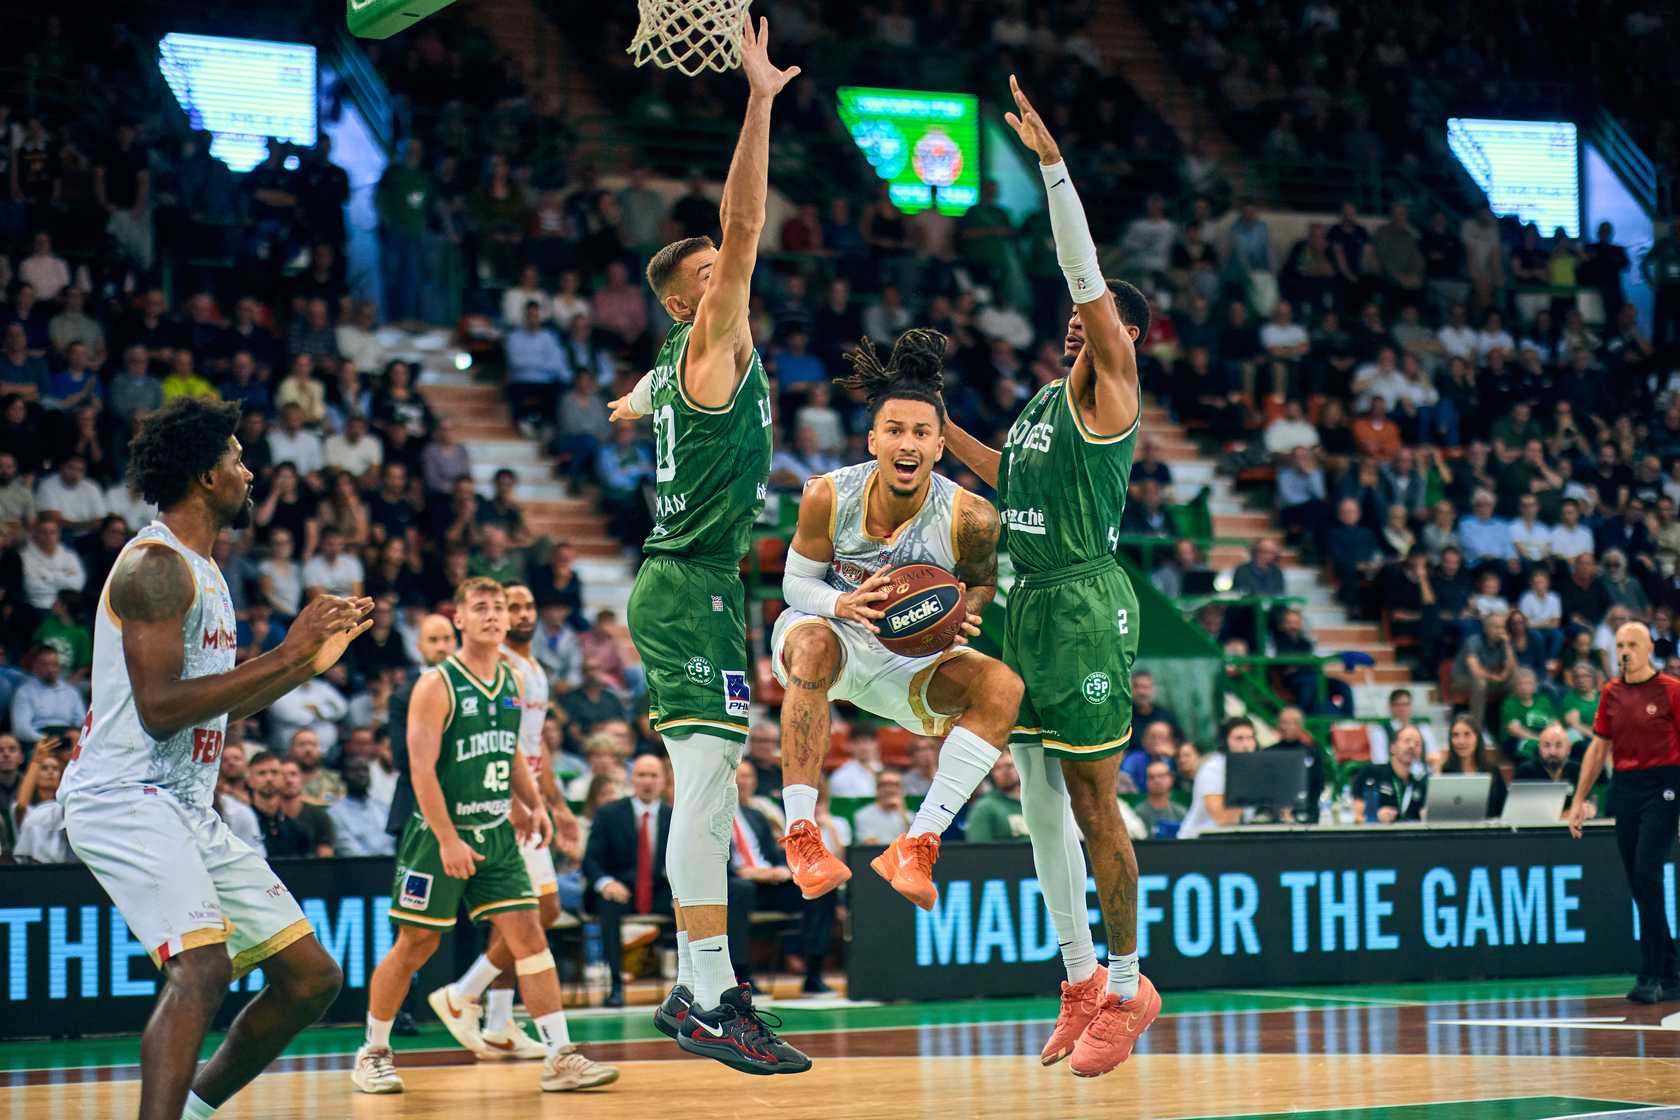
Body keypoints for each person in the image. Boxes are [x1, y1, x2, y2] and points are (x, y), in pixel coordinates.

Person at [56, 397, 372, 1120]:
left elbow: (215, 711)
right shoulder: (155, 567)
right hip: (121, 795)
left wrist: (304, 667)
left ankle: (193, 1110)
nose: (248, 471)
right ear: (205, 475)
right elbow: (161, 707)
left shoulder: (203, 571)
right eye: (236, 458)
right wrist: (287, 651)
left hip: (183, 804)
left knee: (309, 979)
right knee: (201, 967)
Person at [937, 77, 1159, 1077]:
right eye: (1074, 320)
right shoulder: (1039, 404)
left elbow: (1083, 275)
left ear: (1122, 335)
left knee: (1091, 800)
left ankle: (1129, 979)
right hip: (1023, 597)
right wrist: (937, 433)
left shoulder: (1112, 385)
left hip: (1081, 603)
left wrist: (1054, 169)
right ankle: (1077, 976)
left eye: (1096, 317)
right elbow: (1007, 478)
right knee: (1031, 792)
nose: (1076, 324)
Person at [600, 19, 808, 1078]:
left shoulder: (686, 358)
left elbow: (641, 390)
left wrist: (630, 402)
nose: (736, 267)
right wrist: (759, 100)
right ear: (693, 300)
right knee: (706, 781)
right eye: (715, 270)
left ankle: (716, 985)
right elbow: (741, 214)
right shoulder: (713, 334)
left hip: (702, 586)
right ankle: (701, 986)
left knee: (714, 780)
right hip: (684, 586)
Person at [768, 329, 1021, 910]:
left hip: (908, 657)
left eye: (922, 433)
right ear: (873, 439)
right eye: (895, 430)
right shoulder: (828, 495)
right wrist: (843, 605)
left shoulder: (972, 517)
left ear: (938, 447)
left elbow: (981, 583)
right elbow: (794, 584)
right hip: (831, 631)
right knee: (812, 647)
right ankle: (803, 836)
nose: (907, 443)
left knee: (1003, 686)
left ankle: (919, 841)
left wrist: (965, 614)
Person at [358, 579, 617, 1094]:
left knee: (529, 933)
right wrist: (449, 839)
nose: (494, 616)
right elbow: (420, 770)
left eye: (499, 608)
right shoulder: (437, 684)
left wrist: (533, 805)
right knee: (416, 943)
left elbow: (513, 752)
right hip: (438, 834)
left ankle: (559, 1054)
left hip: (496, 829)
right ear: (459, 618)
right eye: (481, 608)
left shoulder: (512, 680)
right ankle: (374, 1051)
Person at [433, 581, 583, 1048]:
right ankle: (463, 993)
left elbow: (534, 748)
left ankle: (498, 1022)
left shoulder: (534, 667)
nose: (521, 613)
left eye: (527, 605)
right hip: (502, 802)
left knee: (521, 917)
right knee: (539, 911)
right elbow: (505, 746)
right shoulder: (498, 666)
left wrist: (556, 805)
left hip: (528, 796)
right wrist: (521, 804)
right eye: (510, 606)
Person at [1566, 622, 1680, 1003]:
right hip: (1626, 786)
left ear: (1648, 648)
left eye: (1632, 644)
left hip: (1665, 784)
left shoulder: (1671, 690)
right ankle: (1670, 969)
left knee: (1648, 873)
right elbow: (1598, 749)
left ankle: (1650, 975)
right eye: (1619, 645)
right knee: (1638, 882)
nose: (1625, 651)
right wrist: (1579, 800)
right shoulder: (1610, 693)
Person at [582, 754, 674, 1008]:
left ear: (664, 781)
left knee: (689, 903)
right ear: (632, 779)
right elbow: (590, 860)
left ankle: (691, 985)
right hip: (620, 890)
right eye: (642, 775)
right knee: (607, 902)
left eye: (653, 775)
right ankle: (615, 984)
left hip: (657, 891)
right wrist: (605, 882)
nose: (647, 781)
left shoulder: (675, 815)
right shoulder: (609, 813)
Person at [1178, 718, 1257, 839]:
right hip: (1196, 842)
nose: (1246, 745)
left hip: (1232, 841)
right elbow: (1223, 819)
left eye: (1250, 738)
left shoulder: (1253, 768)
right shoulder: (1212, 768)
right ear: (1225, 742)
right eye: (1239, 738)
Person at [327, 754, 393, 856]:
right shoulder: (335, 814)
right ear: (343, 777)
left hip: (393, 865)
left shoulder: (383, 808)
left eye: (365, 770)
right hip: (360, 867)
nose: (362, 774)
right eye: (354, 771)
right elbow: (348, 851)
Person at [1360, 725, 1427, 822]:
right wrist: (1376, 818)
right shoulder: (1371, 773)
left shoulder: (1422, 782)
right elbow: (1357, 817)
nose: (1412, 746)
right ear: (1393, 747)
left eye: (1417, 743)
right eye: (1407, 741)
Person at [964, 753, 1029, 841]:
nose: (1005, 771)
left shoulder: (1037, 803)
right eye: (998, 768)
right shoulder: (984, 807)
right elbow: (979, 850)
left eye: (1009, 765)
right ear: (991, 775)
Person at [851, 768, 912, 843]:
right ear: (877, 789)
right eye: (885, 784)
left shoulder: (910, 817)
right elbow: (870, 844)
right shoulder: (863, 815)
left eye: (896, 785)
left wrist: (903, 814)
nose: (890, 789)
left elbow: (915, 845)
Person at [1134, 759, 1186, 838]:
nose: (1157, 780)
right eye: (1151, 777)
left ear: (1171, 779)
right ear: (1146, 782)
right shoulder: (1138, 813)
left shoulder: (1180, 812)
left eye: (1161, 776)